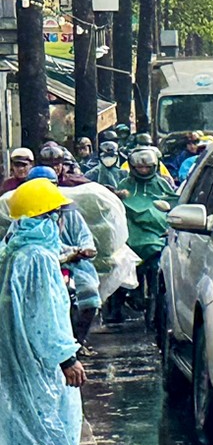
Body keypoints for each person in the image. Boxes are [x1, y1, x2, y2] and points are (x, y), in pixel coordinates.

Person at [0, 178, 90, 445]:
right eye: (55, 215)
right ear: (43, 218)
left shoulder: (13, 253)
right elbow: (46, 316)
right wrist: (66, 357)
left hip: (16, 364)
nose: (59, 222)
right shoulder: (36, 260)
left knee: (25, 437)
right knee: (53, 437)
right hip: (40, 368)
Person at [22, 168, 100, 348]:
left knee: (89, 293)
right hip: (37, 267)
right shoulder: (24, 215)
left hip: (73, 266)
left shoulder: (69, 212)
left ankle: (79, 341)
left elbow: (85, 236)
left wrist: (84, 250)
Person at [110, 147, 176, 324]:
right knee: (119, 269)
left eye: (147, 167)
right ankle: (115, 310)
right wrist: (118, 196)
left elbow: (173, 202)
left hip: (155, 237)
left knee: (158, 268)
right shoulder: (125, 184)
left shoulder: (162, 183)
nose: (144, 170)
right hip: (131, 238)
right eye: (140, 167)